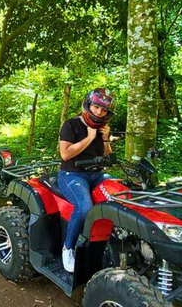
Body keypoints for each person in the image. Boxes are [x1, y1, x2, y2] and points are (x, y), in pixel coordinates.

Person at [58, 88, 115, 273]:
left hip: (97, 174)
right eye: (96, 106)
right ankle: (68, 248)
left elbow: (109, 158)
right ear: (88, 104)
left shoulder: (101, 129)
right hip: (72, 175)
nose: (99, 112)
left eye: (103, 109)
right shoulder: (71, 125)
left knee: (121, 194)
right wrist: (90, 137)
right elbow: (65, 154)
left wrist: (105, 138)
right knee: (84, 209)